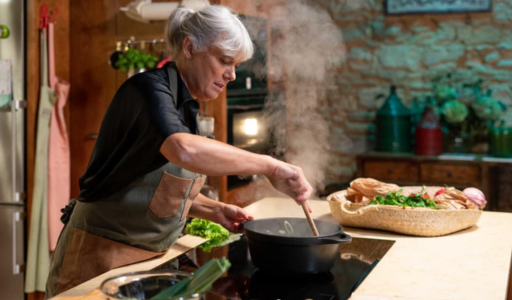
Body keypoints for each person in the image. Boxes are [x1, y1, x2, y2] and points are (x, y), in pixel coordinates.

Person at [45, 5, 313, 298]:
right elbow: (183, 150)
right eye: (225, 61)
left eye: (236, 65)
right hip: (98, 257)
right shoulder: (148, 90)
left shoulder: (186, 104)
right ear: (189, 47)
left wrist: (214, 210)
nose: (232, 75)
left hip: (147, 262)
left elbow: (148, 188)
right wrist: (271, 166)